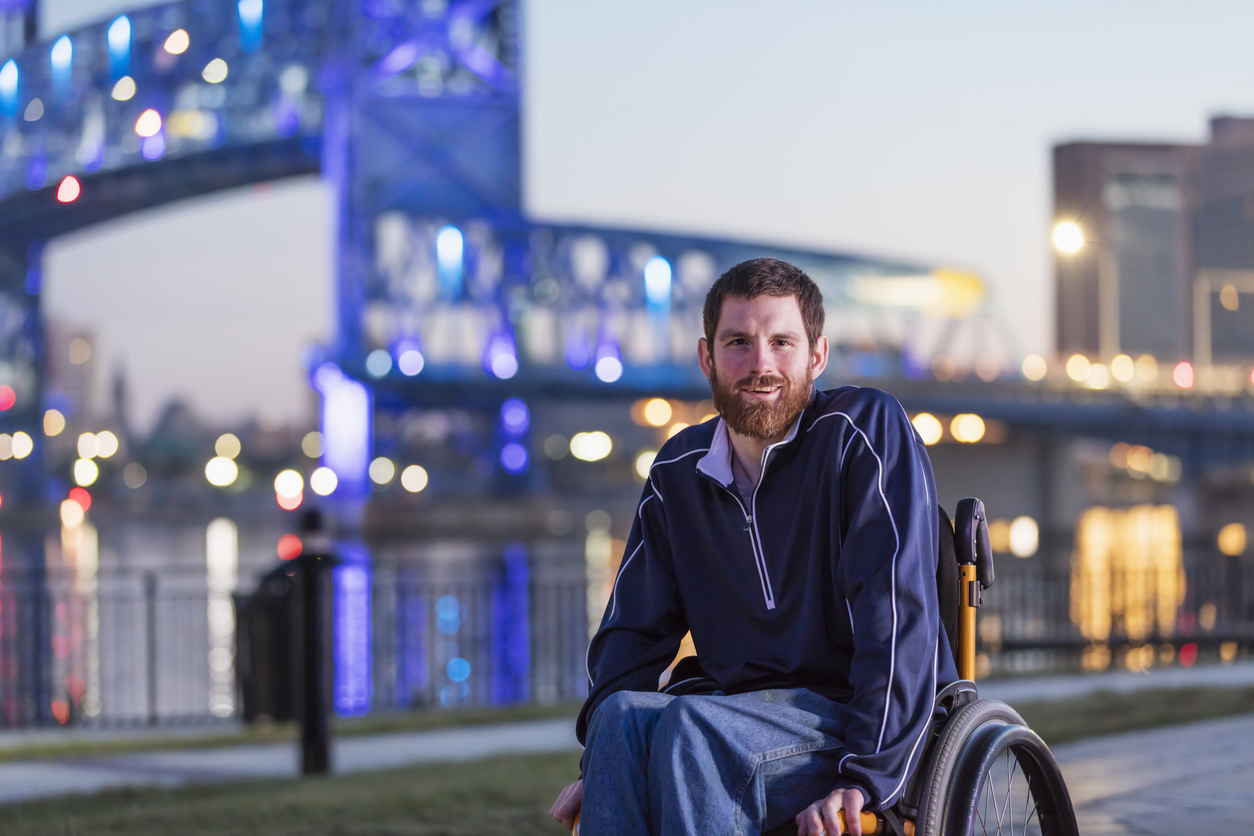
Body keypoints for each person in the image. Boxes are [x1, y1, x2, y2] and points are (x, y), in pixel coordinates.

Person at [549, 257, 957, 836]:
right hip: (733, 716)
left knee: (691, 731)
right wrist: (608, 765)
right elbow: (631, 632)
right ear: (706, 357)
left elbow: (897, 619)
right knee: (619, 719)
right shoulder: (677, 472)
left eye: (782, 342)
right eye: (738, 342)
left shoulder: (863, 431)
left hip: (850, 725)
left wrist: (865, 775)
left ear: (816, 354)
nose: (760, 365)